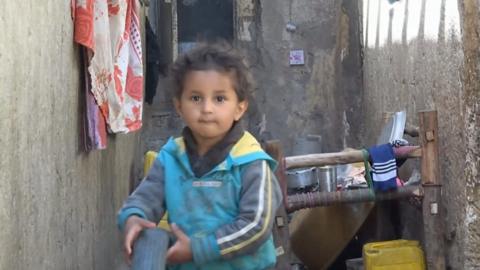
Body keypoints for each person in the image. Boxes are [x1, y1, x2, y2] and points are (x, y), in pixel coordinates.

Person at [117, 42, 283, 270]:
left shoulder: (251, 163)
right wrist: (134, 218)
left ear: (240, 107)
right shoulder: (172, 157)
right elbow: (146, 198)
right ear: (179, 106)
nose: (206, 108)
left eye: (220, 99)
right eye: (195, 98)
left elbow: (256, 226)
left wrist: (200, 248)